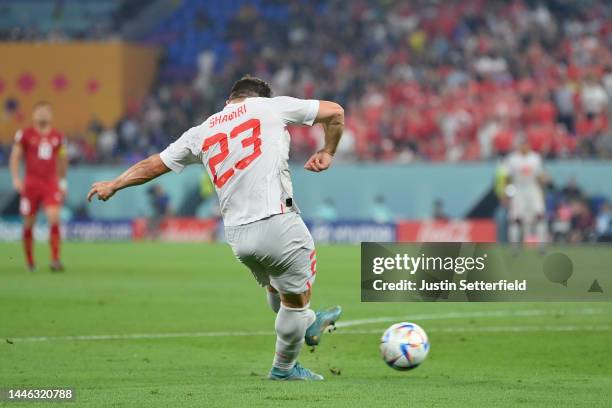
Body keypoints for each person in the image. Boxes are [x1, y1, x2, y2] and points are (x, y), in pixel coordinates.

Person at [87, 75, 344, 381]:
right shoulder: (271, 107)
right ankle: (286, 364)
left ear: (229, 101)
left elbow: (154, 164)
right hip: (277, 220)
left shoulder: (203, 130)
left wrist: (114, 184)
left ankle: (307, 322)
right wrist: (328, 151)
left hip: (237, 236)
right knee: (296, 301)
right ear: (260, 97)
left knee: (277, 285)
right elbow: (335, 112)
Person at [9, 102, 67, 272]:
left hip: (50, 184)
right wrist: (15, 178)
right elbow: (15, 157)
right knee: (28, 223)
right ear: (33, 115)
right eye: (39, 112)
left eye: (45, 112)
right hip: (31, 184)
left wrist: (63, 182)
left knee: (54, 217)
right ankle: (30, 261)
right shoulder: (25, 135)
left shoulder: (58, 136)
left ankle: (55, 260)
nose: (42, 115)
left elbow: (63, 160)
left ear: (51, 115)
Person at [505, 139, 547, 247]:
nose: (524, 147)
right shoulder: (512, 159)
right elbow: (507, 177)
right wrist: (507, 193)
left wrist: (542, 190)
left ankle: (541, 245)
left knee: (539, 215)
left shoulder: (535, 158)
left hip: (532, 188)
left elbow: (539, 176)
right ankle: (514, 246)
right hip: (518, 188)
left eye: (526, 144)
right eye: (522, 144)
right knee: (515, 218)